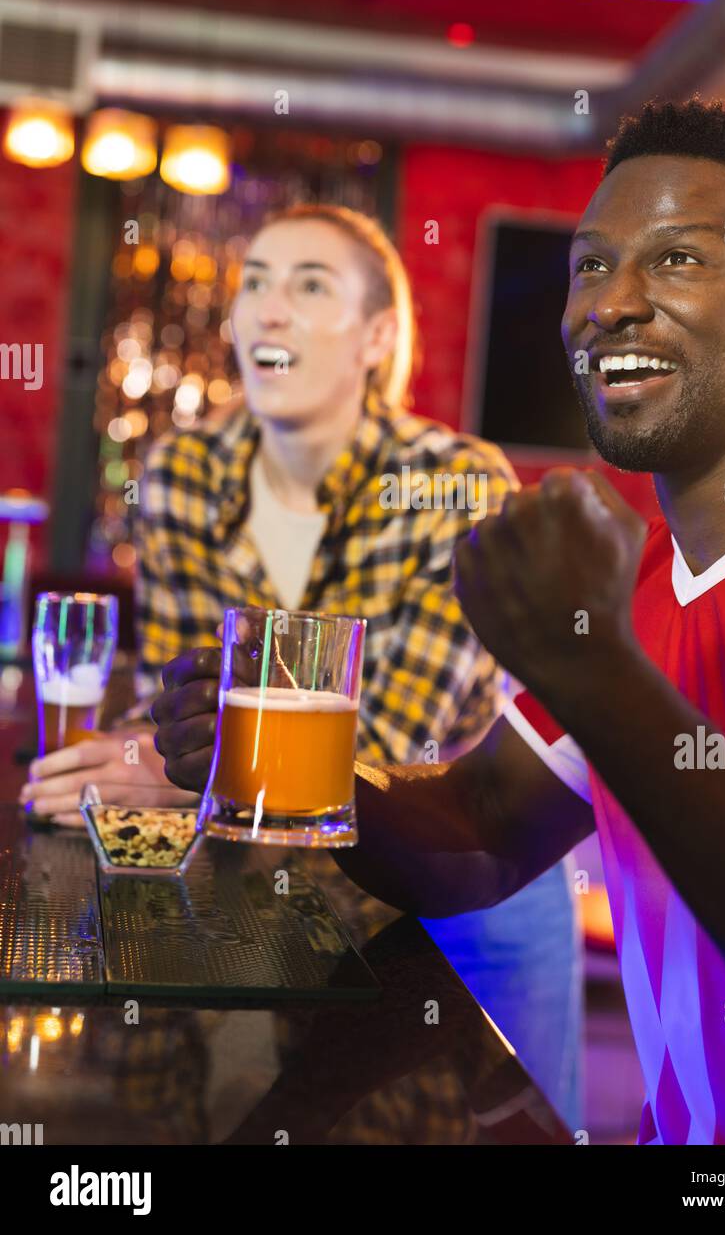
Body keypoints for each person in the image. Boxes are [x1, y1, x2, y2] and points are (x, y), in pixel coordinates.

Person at [154, 102, 725, 1145]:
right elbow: (485, 830)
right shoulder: (644, 580)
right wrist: (282, 758)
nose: (610, 305)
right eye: (589, 266)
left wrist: (598, 672)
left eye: (675, 261)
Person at [23, 203, 582, 1129]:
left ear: (377, 337)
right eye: (255, 285)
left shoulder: (456, 482)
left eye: (308, 285)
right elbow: (185, 706)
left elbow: (379, 747)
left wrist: (160, 761)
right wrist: (163, 754)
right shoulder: (182, 472)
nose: (267, 311)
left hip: (459, 884)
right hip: (268, 890)